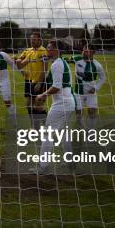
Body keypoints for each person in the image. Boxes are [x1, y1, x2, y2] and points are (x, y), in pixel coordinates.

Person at [32, 40, 76, 174]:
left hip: (61, 104)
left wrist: (42, 95)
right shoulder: (62, 63)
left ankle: (43, 166)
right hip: (68, 103)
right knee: (64, 134)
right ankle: (70, 162)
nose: (47, 51)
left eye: (49, 48)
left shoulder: (57, 64)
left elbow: (57, 87)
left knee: (47, 134)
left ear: (57, 50)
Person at [15, 31, 48, 127]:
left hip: (38, 81)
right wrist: (17, 60)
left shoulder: (42, 51)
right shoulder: (28, 51)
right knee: (29, 105)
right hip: (29, 80)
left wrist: (40, 82)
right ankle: (35, 125)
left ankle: (47, 124)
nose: (32, 41)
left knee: (38, 106)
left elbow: (45, 68)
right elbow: (20, 64)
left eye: (34, 39)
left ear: (39, 40)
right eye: (31, 39)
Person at [74, 47, 106, 129]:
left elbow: (102, 78)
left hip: (90, 92)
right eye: (83, 50)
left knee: (92, 111)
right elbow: (63, 60)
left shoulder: (97, 65)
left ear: (92, 53)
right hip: (78, 91)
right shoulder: (77, 59)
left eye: (86, 51)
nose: (83, 52)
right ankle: (84, 129)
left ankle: (92, 130)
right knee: (78, 113)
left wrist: (95, 88)